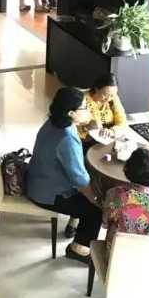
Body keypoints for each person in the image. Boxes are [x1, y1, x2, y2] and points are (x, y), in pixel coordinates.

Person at [26, 87, 103, 264]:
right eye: (84, 108)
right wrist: (95, 199)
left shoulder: (53, 122)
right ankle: (78, 249)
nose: (88, 110)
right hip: (48, 194)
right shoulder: (67, 137)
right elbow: (79, 178)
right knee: (95, 210)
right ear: (71, 113)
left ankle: (74, 223)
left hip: (36, 180)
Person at [77, 74, 128, 143]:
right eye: (105, 94)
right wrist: (85, 127)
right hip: (88, 141)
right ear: (96, 88)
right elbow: (71, 127)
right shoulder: (82, 100)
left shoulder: (113, 98)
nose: (108, 99)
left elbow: (123, 121)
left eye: (111, 95)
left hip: (108, 138)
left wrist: (111, 131)